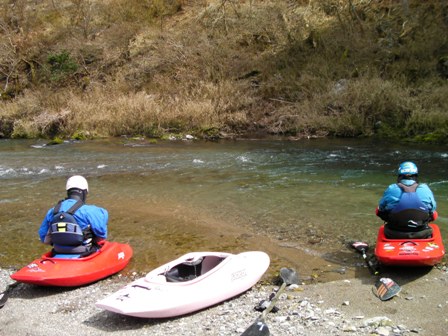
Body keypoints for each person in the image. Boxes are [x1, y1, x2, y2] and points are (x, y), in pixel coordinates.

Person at [38, 175, 108, 255]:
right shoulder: (92, 211)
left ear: (68, 191)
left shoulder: (52, 211)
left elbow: (44, 238)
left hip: (58, 251)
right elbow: (102, 234)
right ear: (85, 192)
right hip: (84, 252)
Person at [376, 161, 437, 239]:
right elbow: (432, 210)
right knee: (434, 213)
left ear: (399, 175)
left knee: (379, 210)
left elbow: (381, 209)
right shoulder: (425, 188)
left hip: (394, 232)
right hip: (421, 232)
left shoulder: (391, 188)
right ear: (416, 175)